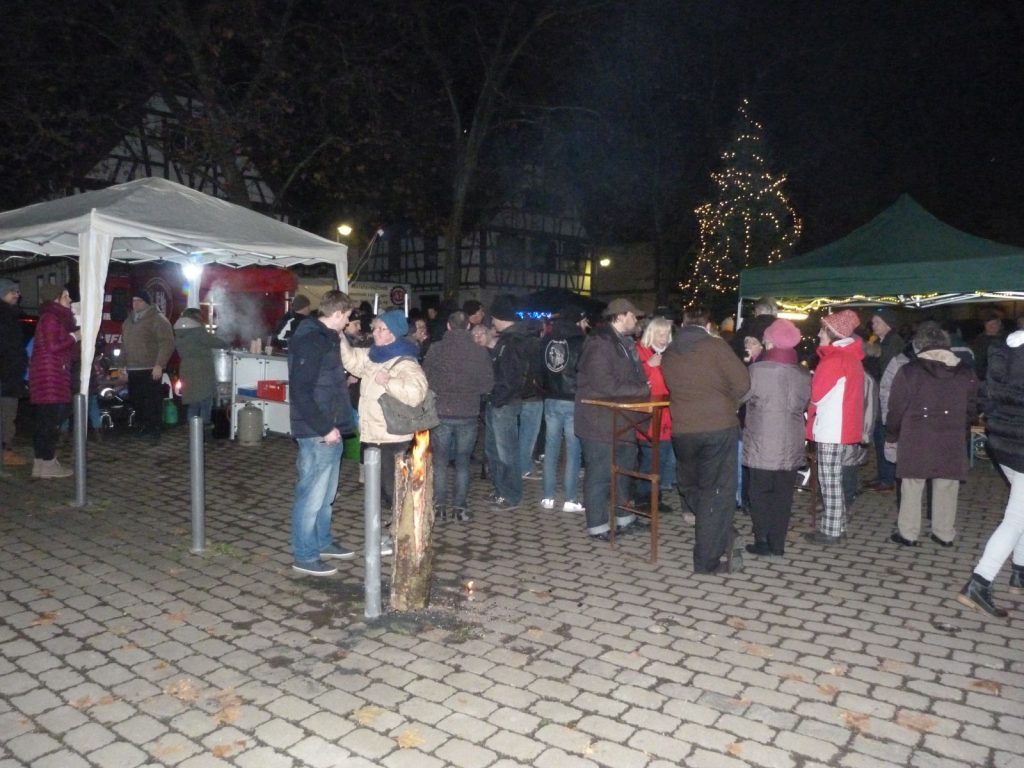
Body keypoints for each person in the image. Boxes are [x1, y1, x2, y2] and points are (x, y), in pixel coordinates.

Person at [662, 306, 750, 573]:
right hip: (717, 427)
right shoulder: (716, 346)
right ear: (708, 324)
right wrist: (728, 401)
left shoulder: (670, 351)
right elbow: (743, 383)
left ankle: (718, 531)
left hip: (683, 429)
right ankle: (708, 560)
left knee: (693, 487)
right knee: (717, 493)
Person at [886, 323, 978, 547]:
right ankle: (944, 533)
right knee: (947, 484)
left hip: (916, 436)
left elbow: (896, 407)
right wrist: (961, 426)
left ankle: (908, 533)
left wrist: (892, 433)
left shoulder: (909, 371)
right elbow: (973, 406)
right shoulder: (966, 372)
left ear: (919, 346)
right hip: (951, 435)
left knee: (912, 483)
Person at [288, 290, 358, 576]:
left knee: (327, 495)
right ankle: (304, 554)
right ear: (339, 313)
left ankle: (322, 540)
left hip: (333, 427)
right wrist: (325, 428)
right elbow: (302, 391)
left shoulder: (327, 339)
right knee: (311, 495)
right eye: (348, 316)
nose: (350, 322)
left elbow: (323, 381)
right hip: (318, 431)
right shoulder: (311, 340)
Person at [956, 328, 1024, 617]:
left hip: (1002, 443)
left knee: (1021, 513)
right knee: (1015, 518)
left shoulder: (1004, 350)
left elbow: (986, 396)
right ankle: (980, 582)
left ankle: (1019, 573)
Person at [341, 309, 428, 517]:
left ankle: (402, 532)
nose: (376, 332)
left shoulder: (405, 361)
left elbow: (417, 393)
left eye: (382, 329)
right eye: (376, 328)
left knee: (393, 491)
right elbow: (353, 361)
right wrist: (341, 339)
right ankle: (381, 532)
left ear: (394, 334)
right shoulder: (373, 355)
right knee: (376, 491)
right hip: (372, 435)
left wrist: (389, 382)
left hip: (392, 438)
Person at [575, 298, 650, 540]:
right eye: (633, 316)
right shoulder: (600, 343)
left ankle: (624, 518)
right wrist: (641, 390)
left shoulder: (623, 343)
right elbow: (603, 384)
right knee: (600, 475)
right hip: (600, 422)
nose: (636, 320)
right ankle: (597, 526)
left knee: (623, 472)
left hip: (622, 420)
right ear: (620, 315)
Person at [742, 319, 811, 557]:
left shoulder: (757, 371)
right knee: (783, 495)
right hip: (791, 442)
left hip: (763, 442)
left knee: (759, 492)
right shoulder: (803, 373)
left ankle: (762, 540)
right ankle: (778, 543)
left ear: (770, 341)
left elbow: (740, 396)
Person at [423, 310, 494, 522]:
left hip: (442, 412)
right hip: (468, 413)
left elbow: (425, 378)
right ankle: (460, 508)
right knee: (463, 462)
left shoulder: (436, 349)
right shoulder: (479, 352)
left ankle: (439, 507)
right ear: (469, 327)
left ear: (448, 326)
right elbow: (488, 384)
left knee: (441, 461)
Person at [804, 310, 865, 545]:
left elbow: (817, 395)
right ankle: (838, 526)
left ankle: (830, 531)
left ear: (832, 333)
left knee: (829, 481)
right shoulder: (849, 357)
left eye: (822, 329)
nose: (819, 334)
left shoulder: (834, 359)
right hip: (840, 426)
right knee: (834, 479)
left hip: (832, 427)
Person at [486, 295, 537, 511]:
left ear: (500, 317)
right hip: (500, 401)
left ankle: (511, 494)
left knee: (506, 452)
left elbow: (511, 377)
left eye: (494, 317)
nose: (492, 322)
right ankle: (500, 489)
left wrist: (497, 398)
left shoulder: (513, 341)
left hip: (504, 403)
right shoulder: (511, 339)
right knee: (494, 450)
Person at [28, 285, 80, 479]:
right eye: (66, 296)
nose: (70, 299)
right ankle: (48, 463)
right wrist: (75, 336)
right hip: (51, 377)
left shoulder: (53, 317)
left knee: (45, 421)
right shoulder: (51, 317)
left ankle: (41, 463)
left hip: (47, 376)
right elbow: (53, 346)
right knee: (52, 421)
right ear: (56, 299)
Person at [539, 306, 588, 513]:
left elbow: (540, 368)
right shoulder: (581, 341)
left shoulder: (546, 340)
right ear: (577, 321)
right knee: (573, 451)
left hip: (551, 399)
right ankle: (570, 499)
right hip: (572, 399)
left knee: (550, 450)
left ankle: (548, 497)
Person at [121, 289, 174, 444]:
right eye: (133, 301)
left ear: (146, 303)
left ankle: (154, 429)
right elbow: (124, 344)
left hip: (149, 367)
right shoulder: (128, 321)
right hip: (133, 368)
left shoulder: (157, 319)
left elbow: (167, 343)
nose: (135, 303)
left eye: (139, 300)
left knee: (151, 401)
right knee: (136, 400)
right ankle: (143, 426)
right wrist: (122, 366)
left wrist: (159, 364)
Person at [634, 315, 675, 512]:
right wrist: (648, 368)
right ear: (651, 333)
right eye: (660, 333)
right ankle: (643, 498)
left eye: (667, 334)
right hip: (647, 416)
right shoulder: (639, 352)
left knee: (663, 458)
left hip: (668, 415)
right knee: (650, 459)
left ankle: (655, 498)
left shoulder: (672, 355)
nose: (663, 338)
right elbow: (634, 381)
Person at [864, 307, 904, 492]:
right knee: (879, 437)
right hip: (880, 396)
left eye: (877, 322)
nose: (873, 325)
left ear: (887, 324)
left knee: (884, 437)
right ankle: (882, 474)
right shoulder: (881, 341)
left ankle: (888, 478)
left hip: (888, 398)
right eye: (873, 322)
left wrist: (873, 352)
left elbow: (886, 367)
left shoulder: (893, 342)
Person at [173, 308, 229, 433]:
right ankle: (204, 430)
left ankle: (192, 430)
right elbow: (213, 341)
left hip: (187, 369)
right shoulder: (197, 331)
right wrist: (227, 344)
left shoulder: (179, 332)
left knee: (193, 402)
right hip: (202, 370)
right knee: (205, 400)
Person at [0, 278, 29, 465]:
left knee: (7, 414)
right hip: (6, 375)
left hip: (9, 374)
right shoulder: (5, 316)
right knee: (7, 415)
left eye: (17, 292)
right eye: (13, 291)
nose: (17, 295)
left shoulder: (10, 315)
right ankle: (5, 452)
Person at [971, 307, 1006, 380]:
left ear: (999, 323)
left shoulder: (1007, 338)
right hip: (984, 377)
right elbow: (977, 361)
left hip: (1003, 376)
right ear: (984, 325)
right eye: (989, 324)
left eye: (994, 324)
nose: (992, 327)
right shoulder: (979, 340)